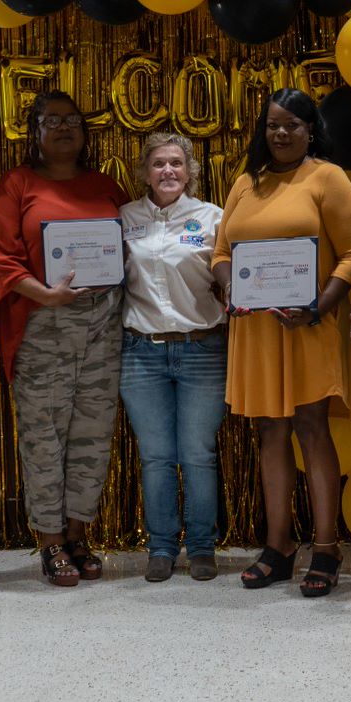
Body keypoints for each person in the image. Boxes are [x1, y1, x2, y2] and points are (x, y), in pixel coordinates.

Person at [211, 88, 351, 598]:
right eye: (273, 124)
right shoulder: (243, 183)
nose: (280, 133)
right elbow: (221, 252)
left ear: (310, 130)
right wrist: (230, 284)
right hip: (256, 329)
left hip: (310, 325)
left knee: (311, 428)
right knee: (270, 432)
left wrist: (319, 307)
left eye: (292, 125)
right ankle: (278, 547)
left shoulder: (327, 177)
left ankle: (326, 547)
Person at [0, 90, 129, 588]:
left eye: (72, 120)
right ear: (35, 131)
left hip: (103, 325)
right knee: (44, 438)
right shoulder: (17, 185)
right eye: (51, 120)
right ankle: (50, 543)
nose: (63, 127)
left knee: (92, 434)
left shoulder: (106, 186)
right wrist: (43, 294)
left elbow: (135, 251)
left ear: (85, 132)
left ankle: (79, 534)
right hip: (44, 324)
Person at [119, 133, 228, 583]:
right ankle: (161, 547)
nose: (168, 171)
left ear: (190, 172)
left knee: (198, 454)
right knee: (157, 456)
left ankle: (202, 547)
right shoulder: (123, 220)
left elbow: (231, 277)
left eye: (177, 164)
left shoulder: (214, 218)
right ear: (145, 171)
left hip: (202, 349)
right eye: (159, 164)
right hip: (141, 353)